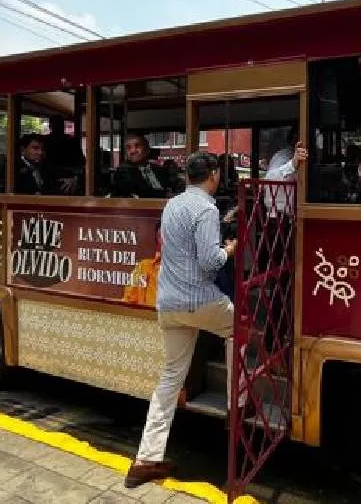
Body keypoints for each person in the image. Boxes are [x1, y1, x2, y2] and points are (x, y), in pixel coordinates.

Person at [125, 152, 243, 488]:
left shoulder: (172, 204)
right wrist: (230, 249)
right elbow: (209, 262)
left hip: (169, 304)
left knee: (170, 378)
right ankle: (239, 408)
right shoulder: (206, 209)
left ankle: (146, 460)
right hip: (200, 301)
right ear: (214, 176)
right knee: (241, 331)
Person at [111, 134, 169, 198]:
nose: (133, 151)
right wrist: (164, 194)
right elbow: (141, 194)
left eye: (137, 146)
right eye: (128, 147)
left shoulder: (157, 169)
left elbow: (169, 185)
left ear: (147, 150)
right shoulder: (123, 171)